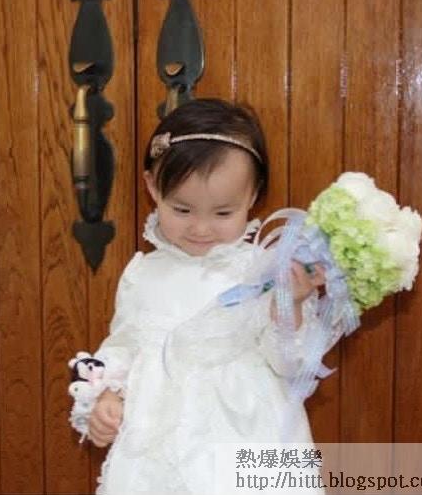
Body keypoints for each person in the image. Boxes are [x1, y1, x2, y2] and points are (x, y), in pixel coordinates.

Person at [69, 99, 327, 494]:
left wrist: (289, 303)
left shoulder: (265, 271)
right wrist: (106, 394)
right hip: (157, 445)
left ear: (253, 195)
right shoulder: (143, 273)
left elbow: (290, 364)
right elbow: (124, 344)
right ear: (153, 187)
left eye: (222, 213)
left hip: (248, 435)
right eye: (182, 209)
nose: (201, 228)